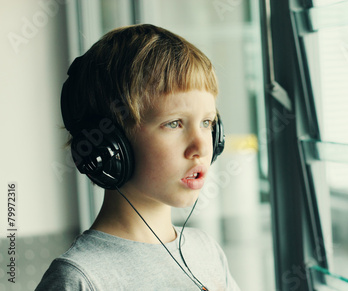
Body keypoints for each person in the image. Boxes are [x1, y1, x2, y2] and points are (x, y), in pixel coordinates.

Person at [36, 24, 240, 291]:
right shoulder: (80, 278)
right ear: (111, 146)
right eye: (174, 123)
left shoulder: (206, 252)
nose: (201, 146)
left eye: (207, 123)